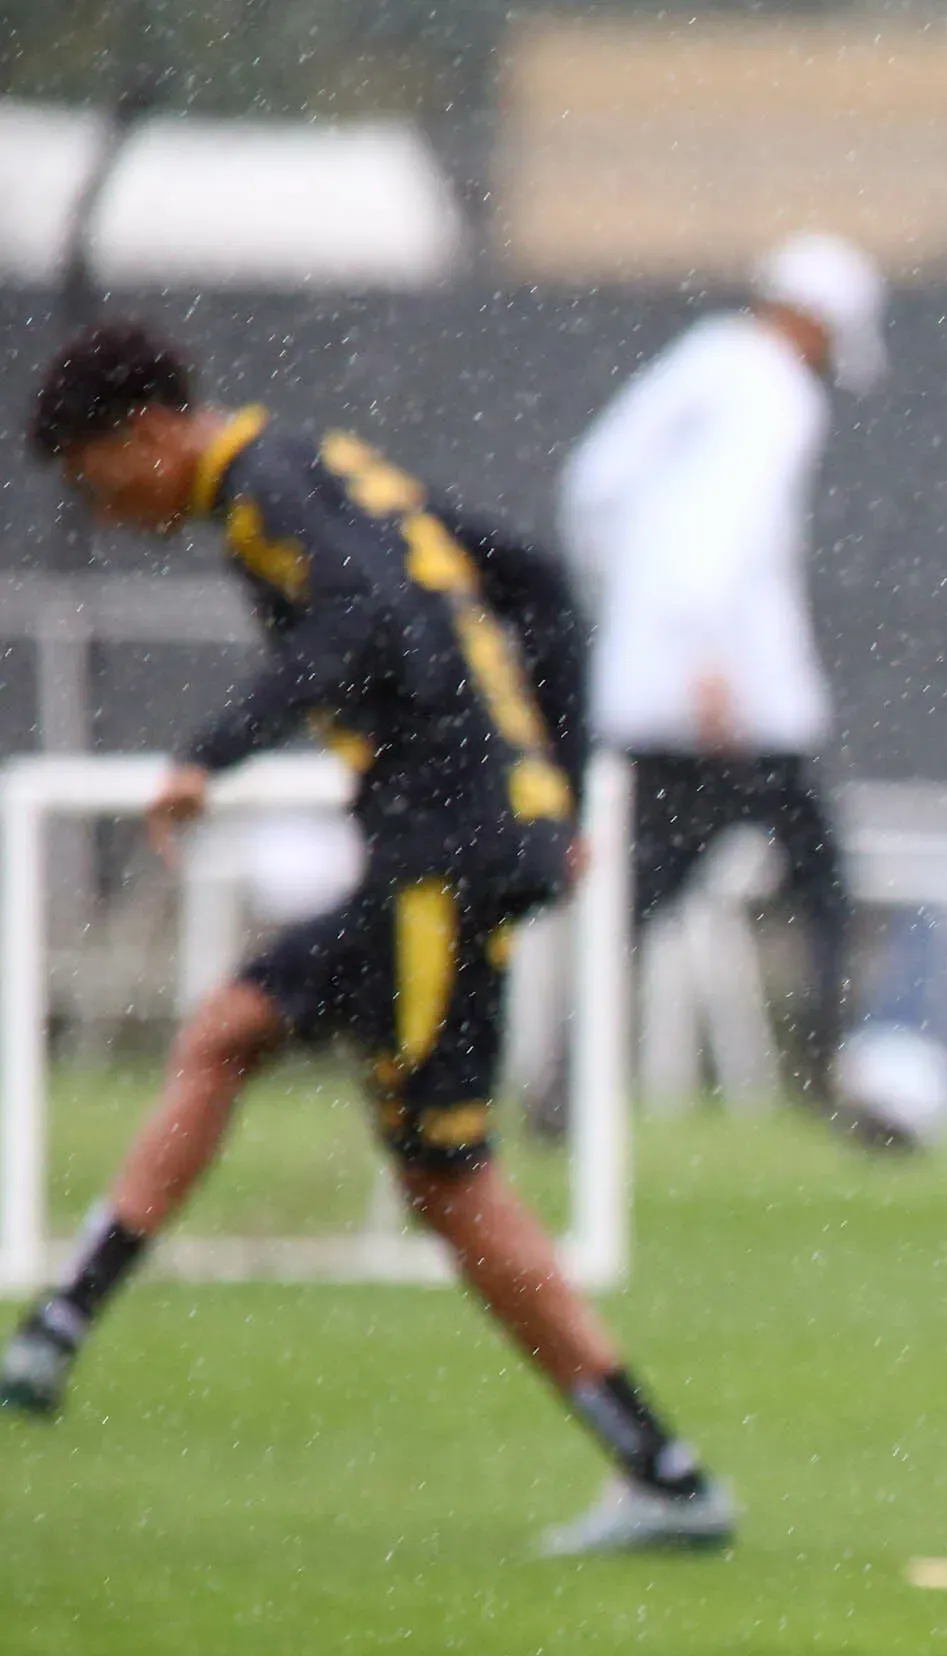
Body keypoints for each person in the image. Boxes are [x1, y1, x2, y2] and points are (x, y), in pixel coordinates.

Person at [0, 322, 737, 1557]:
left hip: (438, 864)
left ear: (147, 433)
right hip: (445, 847)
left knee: (446, 1177)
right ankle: (60, 1323)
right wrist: (550, 785)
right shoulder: (320, 465)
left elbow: (362, 626)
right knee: (233, 1032)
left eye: (93, 480)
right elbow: (537, 583)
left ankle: (665, 1473)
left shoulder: (270, 492)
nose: (104, 509)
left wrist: (211, 756)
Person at [557, 232, 907, 1148]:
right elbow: (718, 532)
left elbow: (590, 493)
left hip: (645, 682)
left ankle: (563, 1075)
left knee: (648, 886)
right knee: (821, 880)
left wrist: (637, 629)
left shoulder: (695, 368)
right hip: (732, 699)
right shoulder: (771, 391)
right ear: (815, 321)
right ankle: (823, 1067)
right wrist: (708, 660)